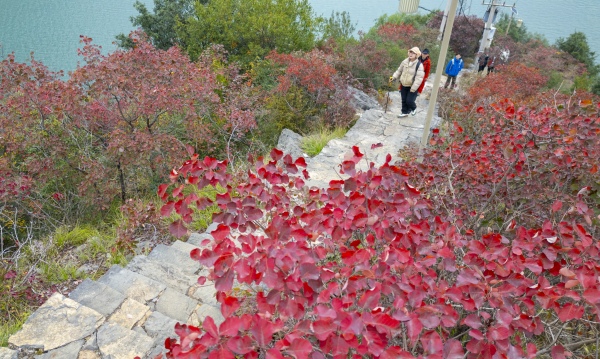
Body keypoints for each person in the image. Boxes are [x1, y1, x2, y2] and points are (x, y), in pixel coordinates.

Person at [389, 47, 425, 117]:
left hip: (412, 86)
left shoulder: (419, 65)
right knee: (404, 100)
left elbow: (419, 78)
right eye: (410, 52)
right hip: (403, 84)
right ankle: (404, 112)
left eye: (413, 53)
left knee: (409, 101)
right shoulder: (405, 61)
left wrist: (414, 88)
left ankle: (413, 108)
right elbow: (399, 71)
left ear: (416, 55)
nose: (411, 54)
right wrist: (393, 77)